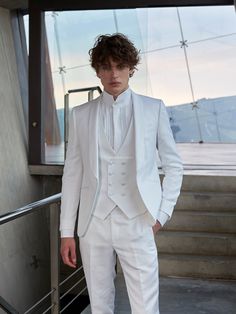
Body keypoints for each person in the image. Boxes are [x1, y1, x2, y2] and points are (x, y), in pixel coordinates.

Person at [60, 33, 183, 314]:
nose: (114, 73)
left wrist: (162, 214)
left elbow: (174, 165)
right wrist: (66, 231)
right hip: (94, 224)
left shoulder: (154, 109)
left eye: (120, 66)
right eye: (106, 67)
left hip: (138, 220)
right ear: (98, 71)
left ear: (131, 68)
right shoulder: (80, 115)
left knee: (145, 307)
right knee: (99, 306)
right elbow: (72, 175)